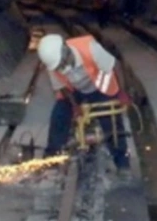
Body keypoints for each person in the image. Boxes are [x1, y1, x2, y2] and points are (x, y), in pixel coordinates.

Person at [37, 33, 131, 174]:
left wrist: (122, 92)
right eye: (58, 66)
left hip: (99, 87)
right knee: (59, 116)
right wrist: (74, 106)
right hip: (74, 91)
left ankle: (122, 163)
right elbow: (62, 88)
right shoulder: (52, 65)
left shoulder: (90, 48)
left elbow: (113, 66)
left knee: (111, 121)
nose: (61, 67)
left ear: (66, 50)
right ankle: (52, 159)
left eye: (62, 63)